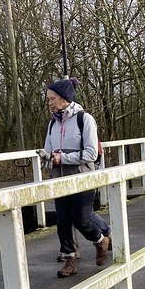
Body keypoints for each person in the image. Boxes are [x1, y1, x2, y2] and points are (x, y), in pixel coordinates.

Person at [39, 77, 112, 278]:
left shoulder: (84, 119)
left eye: (52, 98)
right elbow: (48, 150)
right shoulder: (52, 124)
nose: (49, 102)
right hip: (60, 180)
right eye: (48, 98)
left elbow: (91, 153)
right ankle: (70, 260)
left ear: (64, 98)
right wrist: (46, 157)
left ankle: (100, 241)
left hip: (82, 178)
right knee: (62, 221)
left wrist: (62, 158)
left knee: (82, 219)